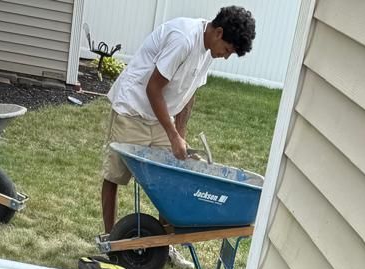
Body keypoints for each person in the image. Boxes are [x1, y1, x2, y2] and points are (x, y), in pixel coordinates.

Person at [101, 7, 256, 236]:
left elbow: (189, 92)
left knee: (173, 182)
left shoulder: (209, 50)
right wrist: (173, 135)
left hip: (161, 116)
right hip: (132, 108)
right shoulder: (184, 39)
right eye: (227, 50)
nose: (225, 56)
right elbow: (153, 89)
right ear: (219, 33)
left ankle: (166, 242)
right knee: (114, 176)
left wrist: (179, 133)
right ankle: (111, 240)